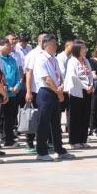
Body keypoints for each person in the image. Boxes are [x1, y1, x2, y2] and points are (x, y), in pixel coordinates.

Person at [32, 34, 72, 162]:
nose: (56, 46)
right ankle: (41, 152)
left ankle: (59, 149)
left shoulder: (54, 59)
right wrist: (58, 91)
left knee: (56, 123)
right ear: (46, 45)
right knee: (43, 123)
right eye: (53, 44)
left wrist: (61, 87)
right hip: (45, 92)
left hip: (55, 92)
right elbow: (47, 79)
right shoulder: (41, 59)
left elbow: (59, 76)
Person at [63, 41, 94, 149]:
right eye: (83, 48)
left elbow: (90, 74)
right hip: (76, 91)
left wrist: (91, 85)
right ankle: (74, 141)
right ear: (77, 50)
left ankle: (83, 139)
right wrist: (85, 86)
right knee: (75, 117)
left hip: (87, 90)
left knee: (85, 115)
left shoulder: (86, 60)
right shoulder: (72, 61)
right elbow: (73, 77)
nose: (85, 50)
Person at [0, 39, 23, 146]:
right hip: (2, 92)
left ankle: (9, 139)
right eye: (7, 45)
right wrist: (8, 87)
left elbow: (17, 74)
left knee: (11, 116)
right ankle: (2, 136)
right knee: (1, 116)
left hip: (13, 93)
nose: (10, 47)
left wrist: (17, 86)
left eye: (10, 45)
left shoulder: (12, 59)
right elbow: (0, 76)